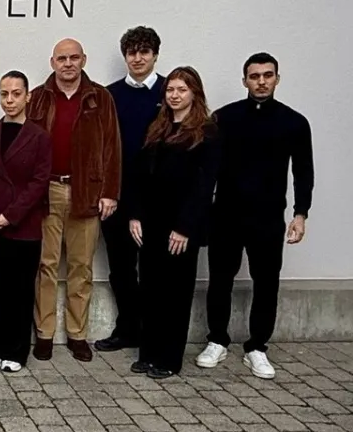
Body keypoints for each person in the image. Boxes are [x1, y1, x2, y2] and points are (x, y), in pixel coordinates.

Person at [195, 53, 314, 379]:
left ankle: (257, 347)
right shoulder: (224, 119)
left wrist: (300, 213)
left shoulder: (294, 122)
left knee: (267, 283)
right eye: (254, 76)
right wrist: (203, 215)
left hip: (268, 218)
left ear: (277, 78)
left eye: (267, 75)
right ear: (244, 79)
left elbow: (303, 171)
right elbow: (209, 173)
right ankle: (217, 340)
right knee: (220, 280)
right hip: (227, 216)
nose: (261, 81)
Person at [28, 38, 121, 362]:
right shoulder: (38, 98)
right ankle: (44, 333)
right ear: (52, 62)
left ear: (84, 59)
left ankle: (78, 334)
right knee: (46, 265)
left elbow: (112, 146)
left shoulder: (101, 98)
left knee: (81, 267)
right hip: (48, 192)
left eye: (73, 58)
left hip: (86, 192)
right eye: (62, 58)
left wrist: (110, 192)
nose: (68, 64)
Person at [128, 66, 220, 379]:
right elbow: (140, 175)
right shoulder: (157, 128)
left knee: (175, 293)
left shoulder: (206, 133)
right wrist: (135, 214)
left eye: (182, 89)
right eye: (170, 90)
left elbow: (204, 186)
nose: (175, 95)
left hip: (180, 227)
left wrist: (185, 227)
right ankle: (148, 352)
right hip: (151, 223)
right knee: (150, 288)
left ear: (195, 93)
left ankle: (169, 358)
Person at [0, 71, 52, 373]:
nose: (10, 100)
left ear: (28, 96)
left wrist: (10, 215)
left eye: (16, 93)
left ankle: (16, 352)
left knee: (18, 290)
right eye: (4, 93)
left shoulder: (40, 136)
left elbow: (39, 181)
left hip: (22, 227)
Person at [96, 27, 165, 354]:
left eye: (144, 52)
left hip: (157, 199)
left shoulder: (170, 92)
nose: (138, 58)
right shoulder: (110, 95)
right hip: (117, 197)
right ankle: (128, 329)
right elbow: (103, 147)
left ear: (154, 55)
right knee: (121, 269)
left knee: (154, 271)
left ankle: (153, 332)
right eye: (132, 52)